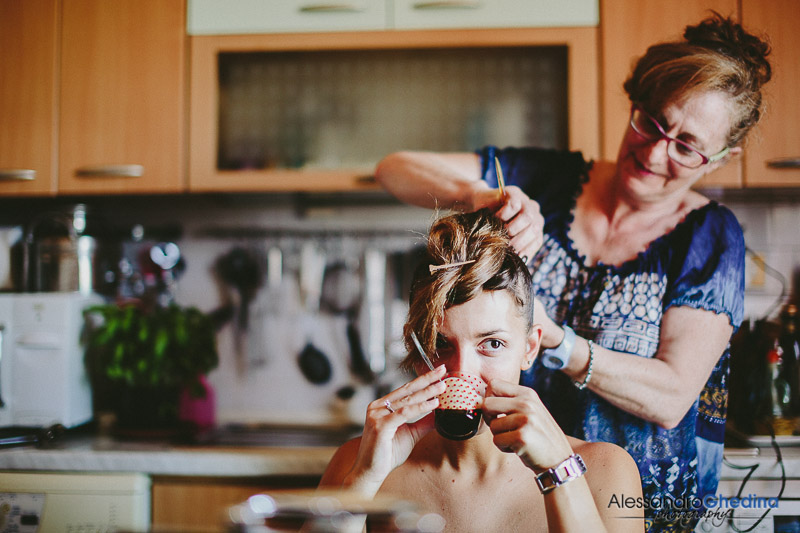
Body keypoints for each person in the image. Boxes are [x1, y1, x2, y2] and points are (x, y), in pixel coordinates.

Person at [373, 13, 771, 532]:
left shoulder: (710, 238)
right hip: (515, 492)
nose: (654, 152)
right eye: (651, 121)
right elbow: (392, 167)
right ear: (635, 102)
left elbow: (672, 397)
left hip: (634, 502)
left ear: (723, 157)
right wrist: (477, 193)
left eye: (687, 145)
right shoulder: (549, 179)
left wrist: (558, 341)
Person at [320, 209, 643, 532]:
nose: (463, 372)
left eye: (492, 344)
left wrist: (559, 471)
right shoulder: (359, 463)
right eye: (440, 344)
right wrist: (363, 480)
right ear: (416, 351)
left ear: (529, 349)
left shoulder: (606, 471)